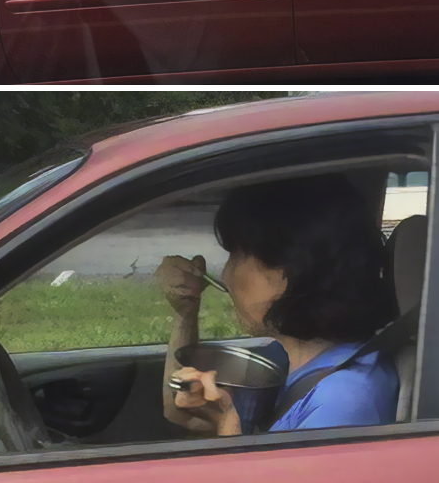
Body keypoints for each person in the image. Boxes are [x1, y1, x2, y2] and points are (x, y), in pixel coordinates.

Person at [155, 175, 398, 437]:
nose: (225, 275)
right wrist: (185, 311)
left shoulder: (342, 403)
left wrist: (228, 425)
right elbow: (179, 409)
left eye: (238, 255)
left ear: (293, 269)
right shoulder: (287, 357)